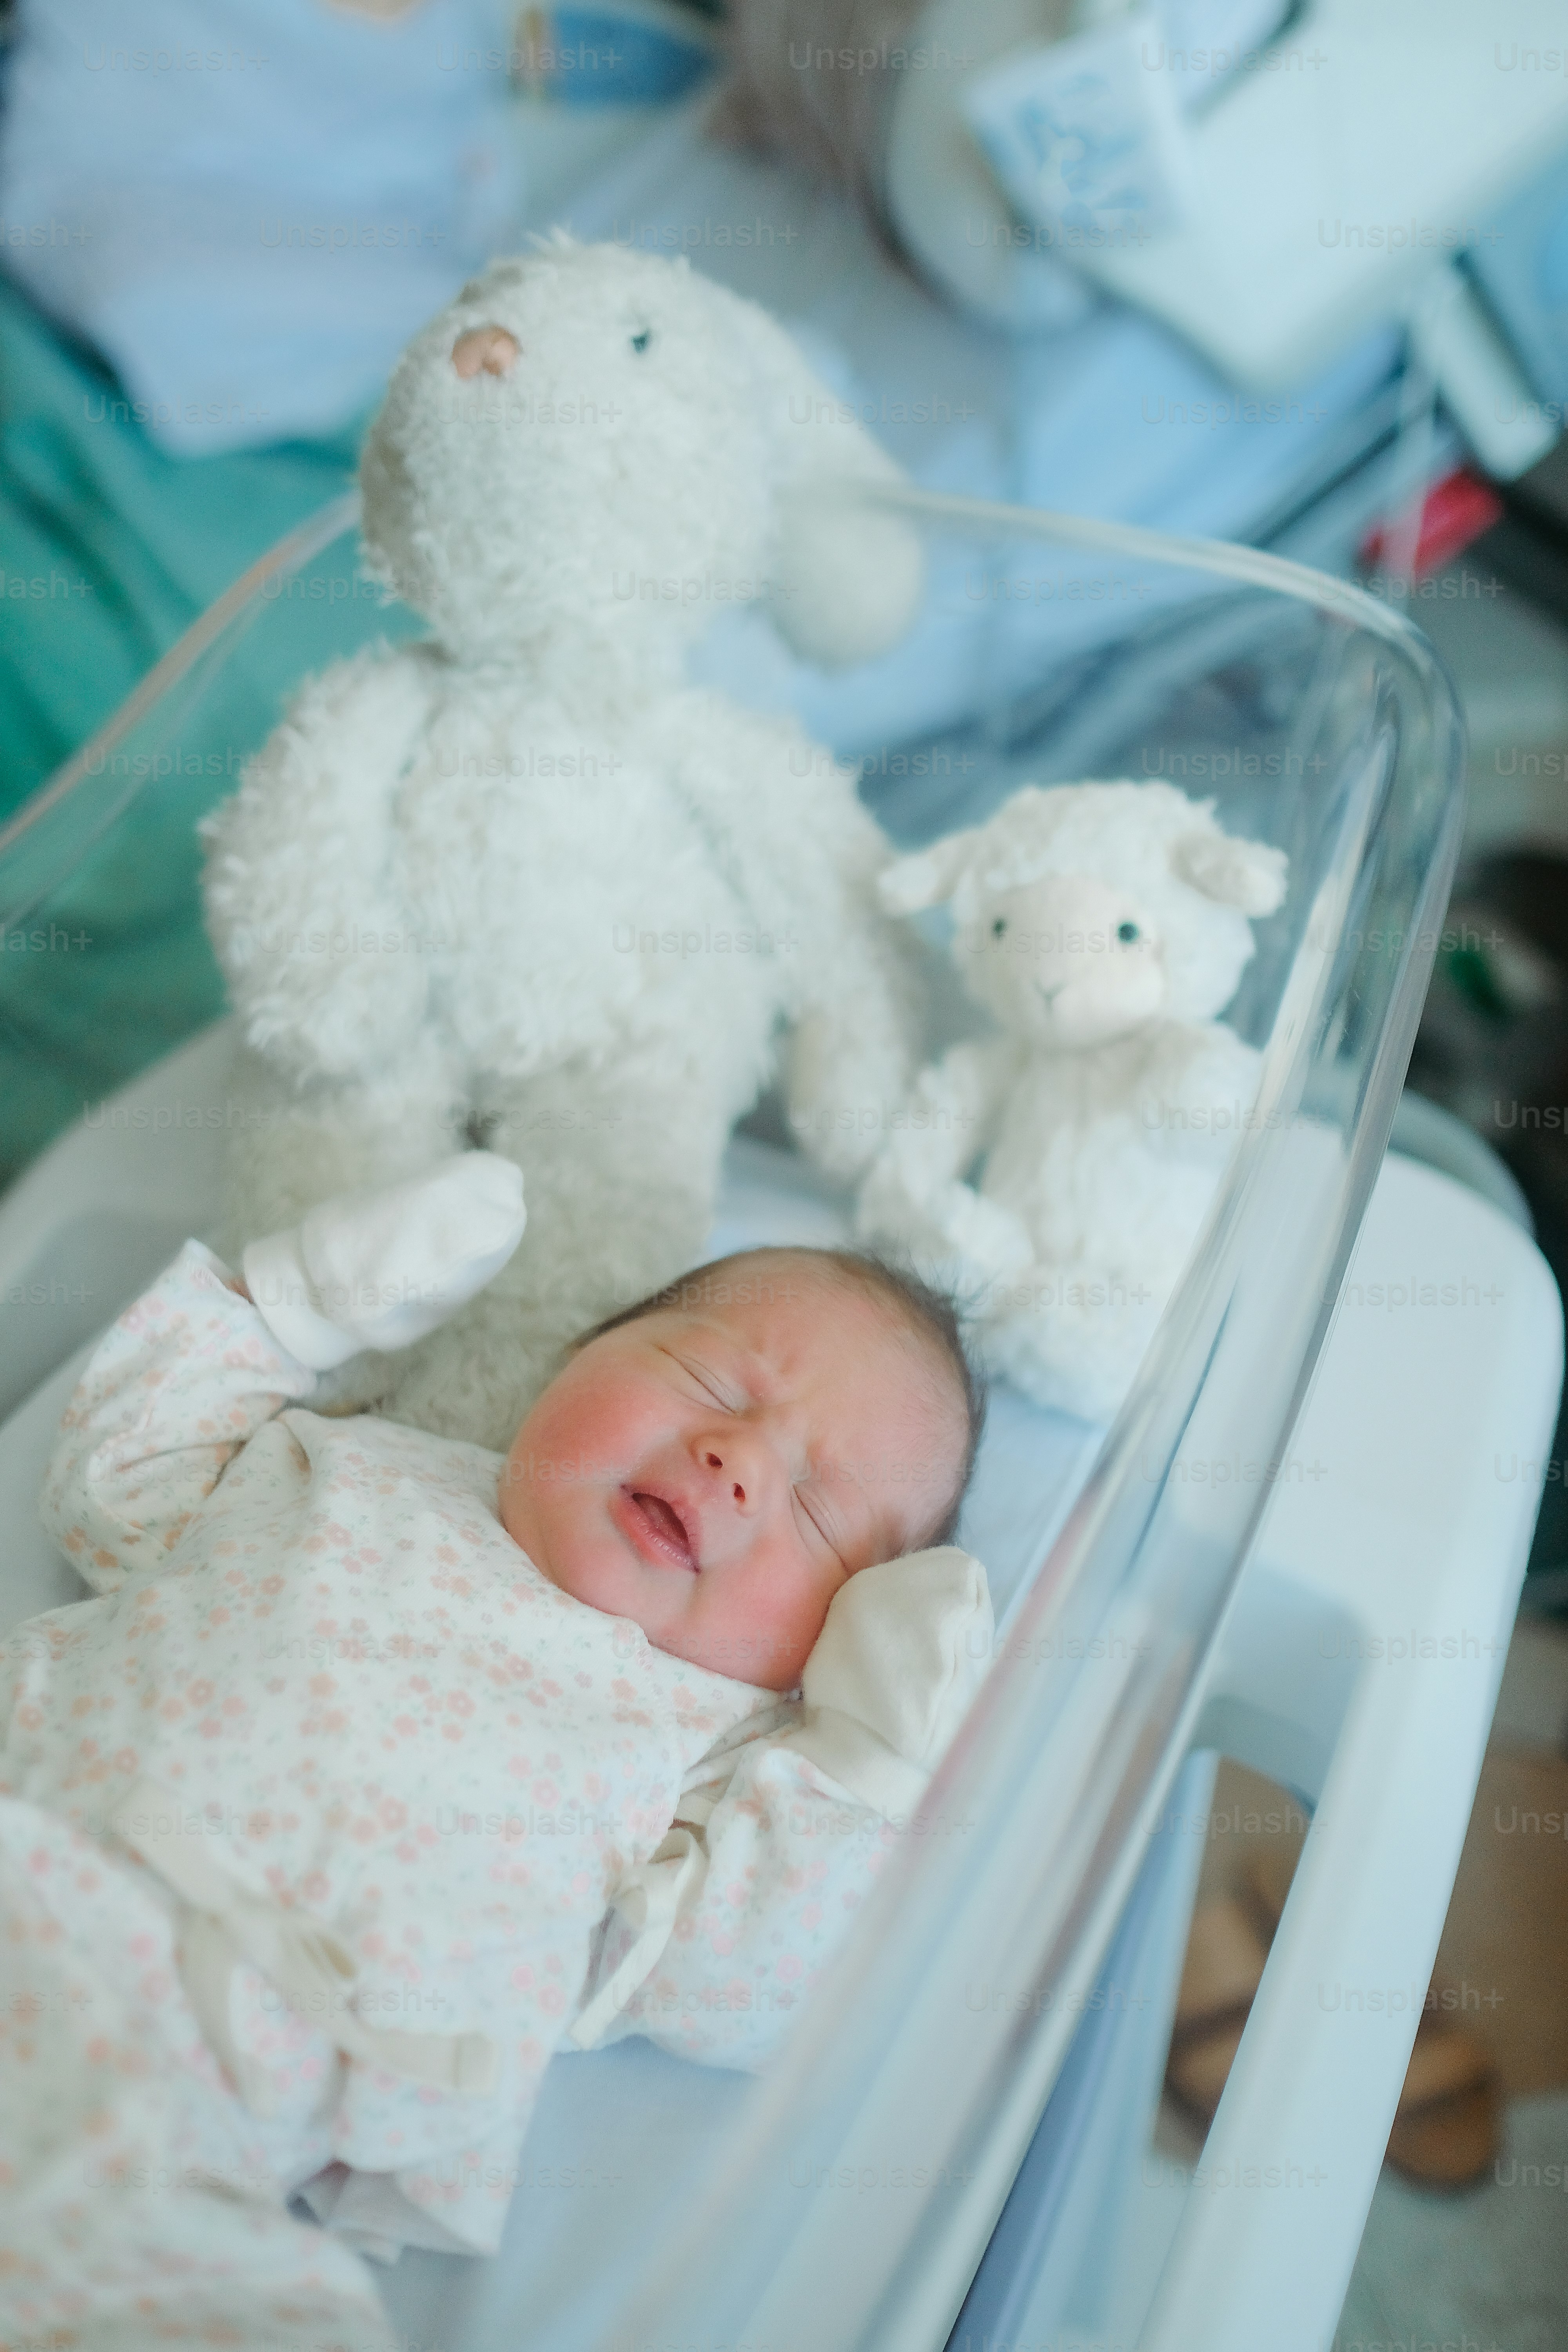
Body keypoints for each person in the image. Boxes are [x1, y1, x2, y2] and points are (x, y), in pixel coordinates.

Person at [0, 1152, 989, 2349]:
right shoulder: (354, 1464)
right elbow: (112, 1486)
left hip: (200, 2087)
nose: (738, 1458)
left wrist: (864, 1752)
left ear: (831, 1635)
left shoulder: (702, 1742)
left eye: (823, 1511)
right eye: (706, 1375)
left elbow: (730, 1991)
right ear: (575, 1359)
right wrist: (294, 1302)